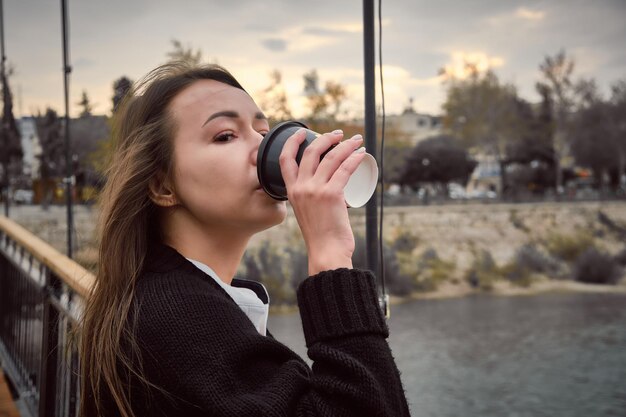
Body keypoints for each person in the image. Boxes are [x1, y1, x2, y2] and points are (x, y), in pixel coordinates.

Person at [79, 62, 410, 417]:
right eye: (226, 135)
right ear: (162, 185)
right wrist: (331, 256)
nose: (266, 149)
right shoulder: (175, 316)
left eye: (263, 131)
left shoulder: (177, 298)